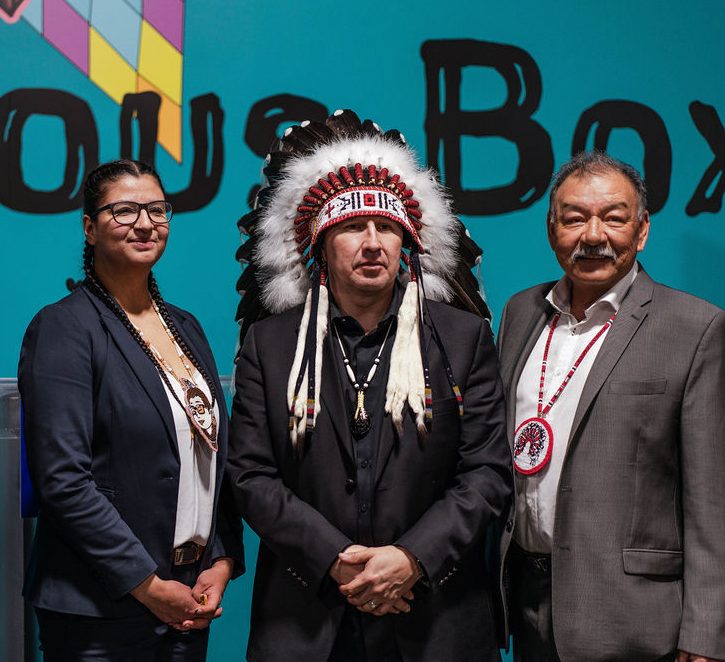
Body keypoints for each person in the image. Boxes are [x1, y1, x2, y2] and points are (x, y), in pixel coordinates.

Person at [227, 110, 512, 661]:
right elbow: (250, 474)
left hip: (436, 618)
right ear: (320, 244)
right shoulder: (272, 344)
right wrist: (336, 557)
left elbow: (487, 471)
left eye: (387, 228)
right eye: (354, 227)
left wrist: (411, 560)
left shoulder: (461, 339)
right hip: (307, 621)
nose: (373, 242)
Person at [497, 151, 725, 661]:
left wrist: (706, 633)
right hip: (526, 601)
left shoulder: (696, 328)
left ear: (642, 231)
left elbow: (713, 499)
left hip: (634, 617)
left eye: (614, 218)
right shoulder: (519, 313)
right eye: (575, 218)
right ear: (552, 228)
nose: (593, 235)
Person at [18, 160, 244, 661]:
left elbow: (211, 454)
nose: (145, 223)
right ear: (89, 226)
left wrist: (222, 559)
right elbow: (63, 480)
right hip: (100, 610)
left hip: (189, 597)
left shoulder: (186, 326)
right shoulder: (64, 328)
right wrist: (146, 584)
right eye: (123, 210)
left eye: (157, 210)